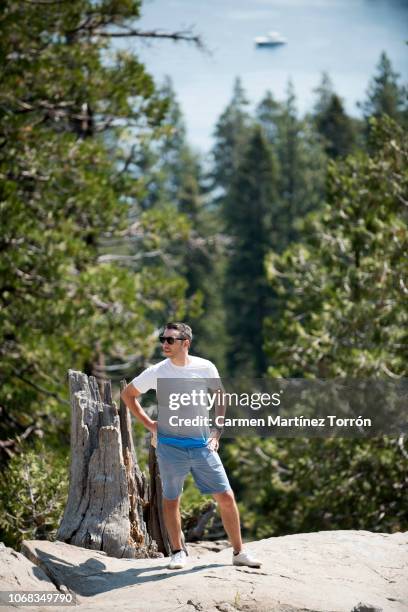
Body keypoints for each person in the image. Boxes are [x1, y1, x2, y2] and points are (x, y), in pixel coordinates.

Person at [121, 321, 262, 570]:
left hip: (201, 444)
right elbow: (128, 394)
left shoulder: (204, 367)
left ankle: (239, 552)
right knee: (171, 499)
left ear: (185, 343)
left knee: (226, 497)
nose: (164, 344)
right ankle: (178, 552)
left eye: (170, 340)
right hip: (169, 446)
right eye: (163, 340)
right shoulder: (157, 371)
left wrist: (217, 432)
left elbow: (221, 395)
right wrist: (149, 424)